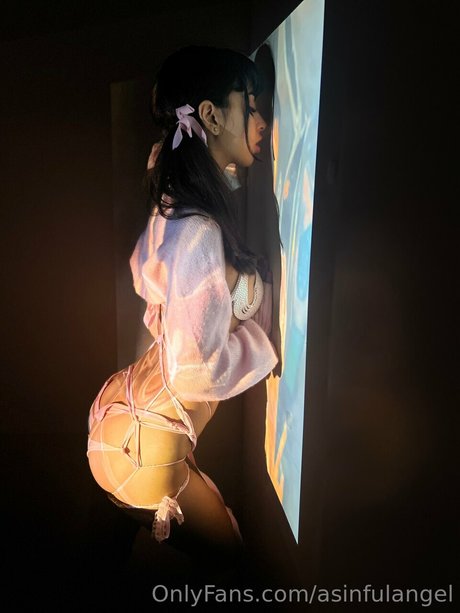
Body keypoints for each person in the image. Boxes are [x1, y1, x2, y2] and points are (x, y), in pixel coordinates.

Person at [86, 45, 279, 564]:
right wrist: (260, 342)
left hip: (124, 420)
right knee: (235, 566)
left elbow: (144, 277)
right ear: (211, 116)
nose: (261, 121)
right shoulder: (197, 228)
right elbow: (196, 374)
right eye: (250, 105)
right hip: (147, 442)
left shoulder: (176, 203)